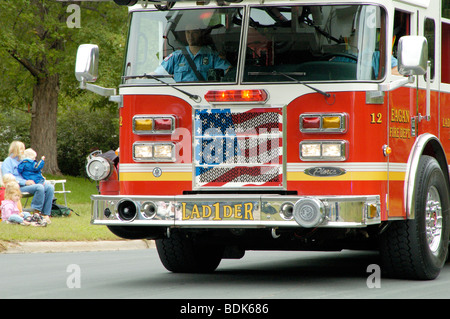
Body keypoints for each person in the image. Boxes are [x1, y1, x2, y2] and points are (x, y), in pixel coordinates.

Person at [154, 23, 231, 82]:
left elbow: (229, 72)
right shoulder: (176, 56)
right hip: (181, 98)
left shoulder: (212, 56)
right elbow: (157, 74)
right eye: (188, 32)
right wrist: (144, 78)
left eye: (194, 32)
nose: (190, 36)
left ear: (200, 33)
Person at [1, 141, 54, 224]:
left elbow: (33, 172)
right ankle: (35, 213)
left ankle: (45, 214)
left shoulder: (24, 161)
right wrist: (25, 182)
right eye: (22, 149)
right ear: (15, 150)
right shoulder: (8, 161)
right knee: (39, 187)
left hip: (30, 184)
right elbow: (7, 177)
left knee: (49, 187)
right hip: (17, 187)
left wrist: (40, 178)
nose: (23, 151)